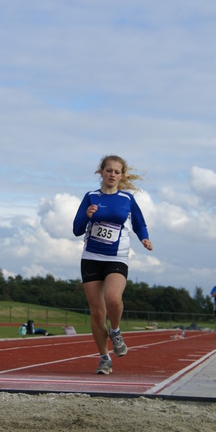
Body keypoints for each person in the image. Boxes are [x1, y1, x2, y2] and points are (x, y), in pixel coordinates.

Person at [73, 155, 153, 375]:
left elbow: (139, 223)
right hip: (91, 257)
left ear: (122, 175)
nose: (112, 175)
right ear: (101, 172)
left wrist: (144, 238)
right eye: (109, 170)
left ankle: (115, 331)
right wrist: (87, 216)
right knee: (97, 313)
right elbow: (77, 229)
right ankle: (104, 358)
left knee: (113, 299)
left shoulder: (127, 199)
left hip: (117, 257)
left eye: (117, 172)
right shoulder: (90, 197)